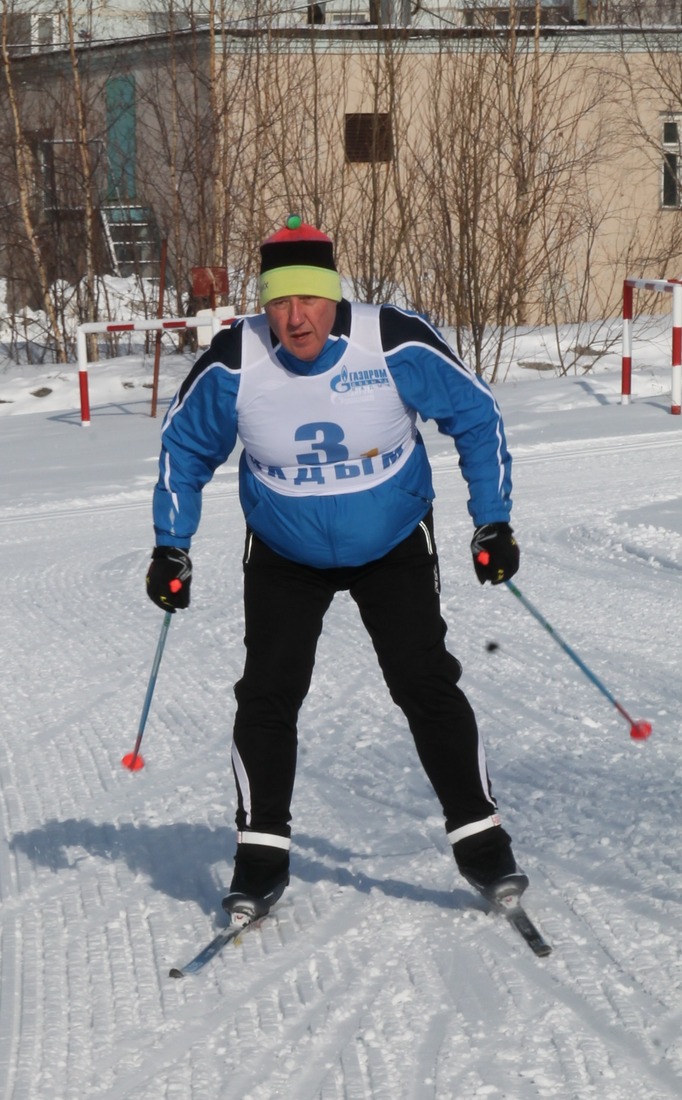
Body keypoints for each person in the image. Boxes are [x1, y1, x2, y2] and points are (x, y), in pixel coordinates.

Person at [146, 215, 525, 924]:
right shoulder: (237, 358)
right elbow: (183, 449)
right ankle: (259, 863)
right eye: (280, 303)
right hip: (286, 551)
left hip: (391, 541)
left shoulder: (391, 341)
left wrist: (492, 519)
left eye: (310, 301)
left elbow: (477, 416)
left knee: (422, 681)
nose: (295, 319)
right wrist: (173, 543)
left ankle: (483, 844)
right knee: (268, 693)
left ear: (334, 296)